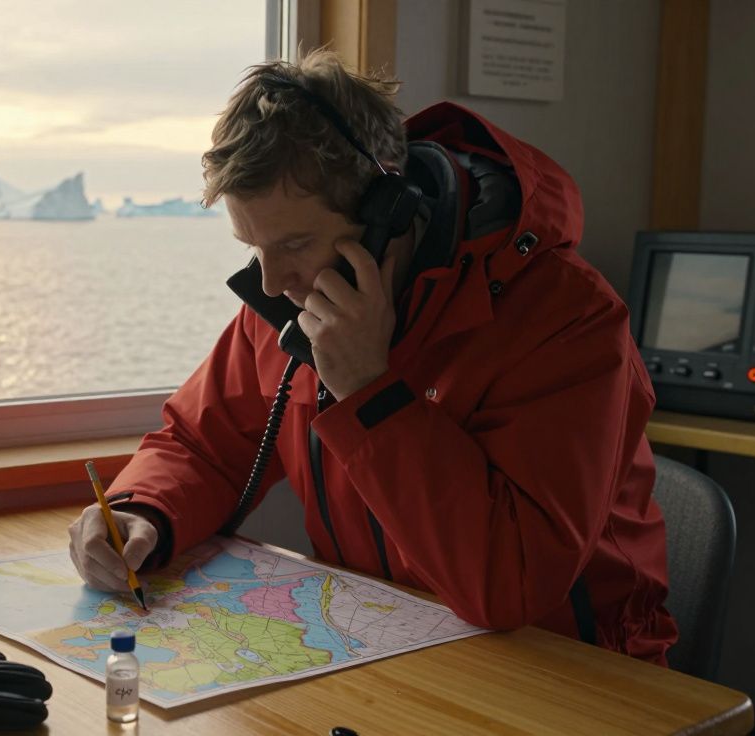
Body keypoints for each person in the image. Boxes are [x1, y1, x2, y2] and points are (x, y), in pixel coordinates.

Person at [67, 49, 677, 663]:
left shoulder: (566, 318)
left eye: (296, 243)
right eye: (254, 247)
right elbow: (202, 444)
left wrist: (368, 389)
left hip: (569, 667)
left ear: (391, 211)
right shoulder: (294, 301)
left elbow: (511, 586)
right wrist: (142, 512)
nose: (272, 282)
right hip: (386, 642)